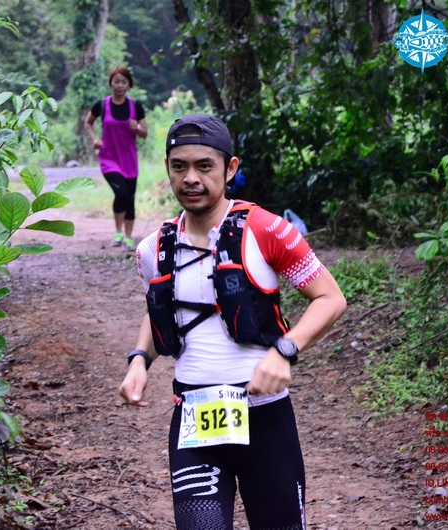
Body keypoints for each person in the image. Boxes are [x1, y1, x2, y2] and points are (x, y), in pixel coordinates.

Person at [118, 114, 346, 530]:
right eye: (179, 166)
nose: (191, 178)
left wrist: (285, 351)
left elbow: (330, 298)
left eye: (204, 166)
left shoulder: (268, 230)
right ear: (167, 168)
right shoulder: (152, 248)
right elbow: (159, 309)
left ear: (230, 168)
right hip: (194, 422)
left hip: (266, 420)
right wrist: (139, 360)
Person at [84, 66, 148, 251]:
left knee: (130, 198)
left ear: (129, 85)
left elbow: (145, 133)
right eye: (116, 81)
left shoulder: (136, 106)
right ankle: (118, 232)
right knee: (121, 193)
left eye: (124, 82)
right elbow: (88, 122)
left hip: (129, 160)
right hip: (108, 159)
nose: (120, 85)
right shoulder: (101, 105)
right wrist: (95, 139)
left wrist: (137, 128)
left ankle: (128, 238)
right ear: (111, 84)